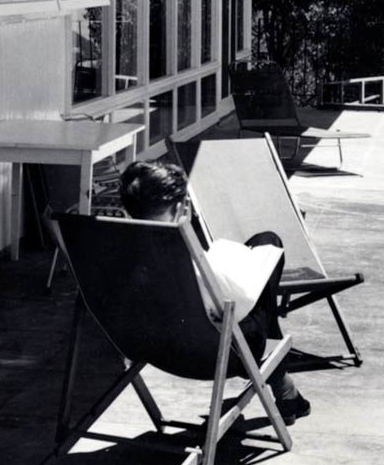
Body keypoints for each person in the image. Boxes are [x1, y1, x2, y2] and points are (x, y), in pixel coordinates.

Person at [118, 159, 311, 423]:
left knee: (258, 251)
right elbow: (222, 308)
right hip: (217, 354)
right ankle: (283, 387)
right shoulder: (178, 250)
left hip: (150, 348)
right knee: (268, 244)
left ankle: (285, 389)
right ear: (182, 206)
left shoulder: (113, 246)